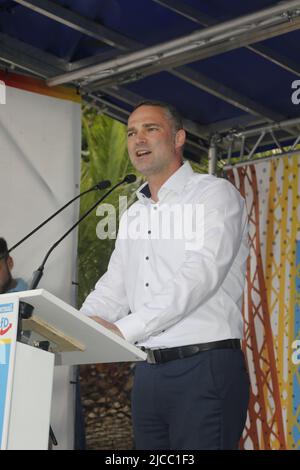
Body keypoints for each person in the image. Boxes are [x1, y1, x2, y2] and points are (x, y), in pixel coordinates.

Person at [80, 100, 250, 450]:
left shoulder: (213, 194)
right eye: (130, 132)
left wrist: (124, 329)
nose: (137, 138)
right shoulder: (134, 214)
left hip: (204, 367)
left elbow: (199, 274)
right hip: (147, 373)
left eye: (150, 128)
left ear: (178, 138)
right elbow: (114, 286)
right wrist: (76, 326)